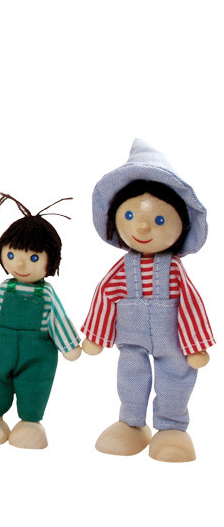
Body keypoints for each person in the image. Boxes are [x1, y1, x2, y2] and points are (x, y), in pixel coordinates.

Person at [82, 139, 214, 462]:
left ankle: (171, 427)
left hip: (173, 340)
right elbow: (105, 295)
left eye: (159, 220)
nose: (142, 226)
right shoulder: (122, 269)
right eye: (130, 215)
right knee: (130, 376)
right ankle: (131, 423)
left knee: (176, 377)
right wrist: (97, 336)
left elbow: (191, 303)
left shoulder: (174, 269)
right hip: (132, 340)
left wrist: (195, 344)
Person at [0, 194, 81, 449]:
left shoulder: (47, 294)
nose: (19, 263)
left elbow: (59, 320)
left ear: (51, 260)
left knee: (35, 385)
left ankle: (30, 423)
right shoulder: (3, 289)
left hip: (37, 354)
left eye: (33, 258)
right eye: (12, 254)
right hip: (2, 349)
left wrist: (69, 346)